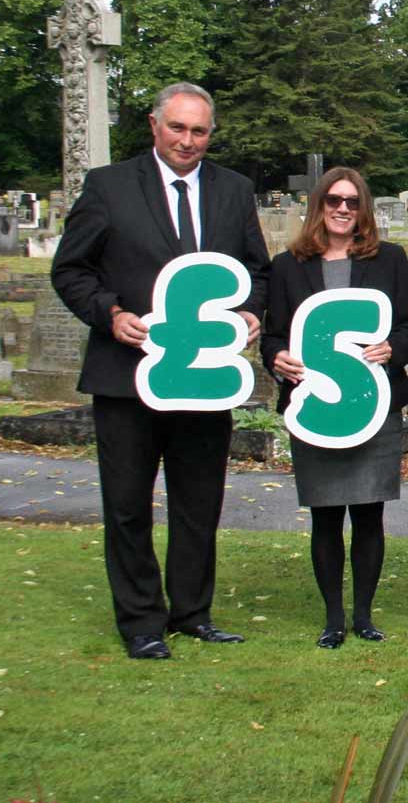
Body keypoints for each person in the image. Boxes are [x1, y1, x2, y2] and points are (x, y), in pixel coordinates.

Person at [51, 82, 270, 660]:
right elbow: (71, 270)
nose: (188, 141)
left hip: (203, 377)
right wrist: (110, 314)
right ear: (154, 125)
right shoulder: (109, 187)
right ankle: (141, 620)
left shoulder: (234, 190)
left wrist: (252, 312)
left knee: (199, 501)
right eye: (178, 128)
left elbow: (259, 272)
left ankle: (192, 612)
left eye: (199, 131)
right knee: (127, 503)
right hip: (127, 374)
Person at [260, 167, 408, 649]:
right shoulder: (288, 266)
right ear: (319, 206)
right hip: (317, 408)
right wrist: (276, 359)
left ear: (363, 208)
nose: (343, 209)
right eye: (333, 200)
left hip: (373, 404)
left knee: (369, 514)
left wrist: (394, 347)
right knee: (326, 516)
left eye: (352, 201)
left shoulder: (389, 260)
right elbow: (271, 335)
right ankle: (333, 617)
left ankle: (365, 615)